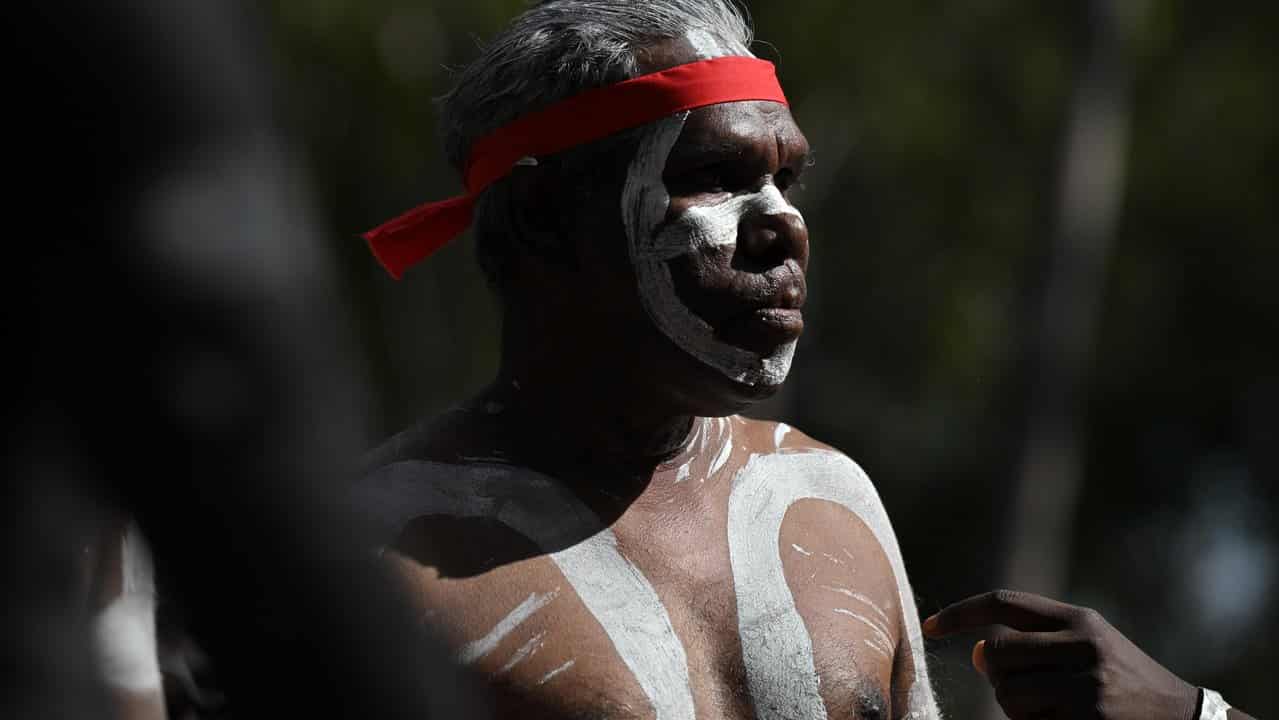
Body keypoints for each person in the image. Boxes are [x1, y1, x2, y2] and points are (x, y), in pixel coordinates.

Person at [355, 2, 1256, 719]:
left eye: (787, 179)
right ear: (541, 221)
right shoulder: (372, 558)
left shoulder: (826, 502)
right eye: (715, 174)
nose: (782, 221)